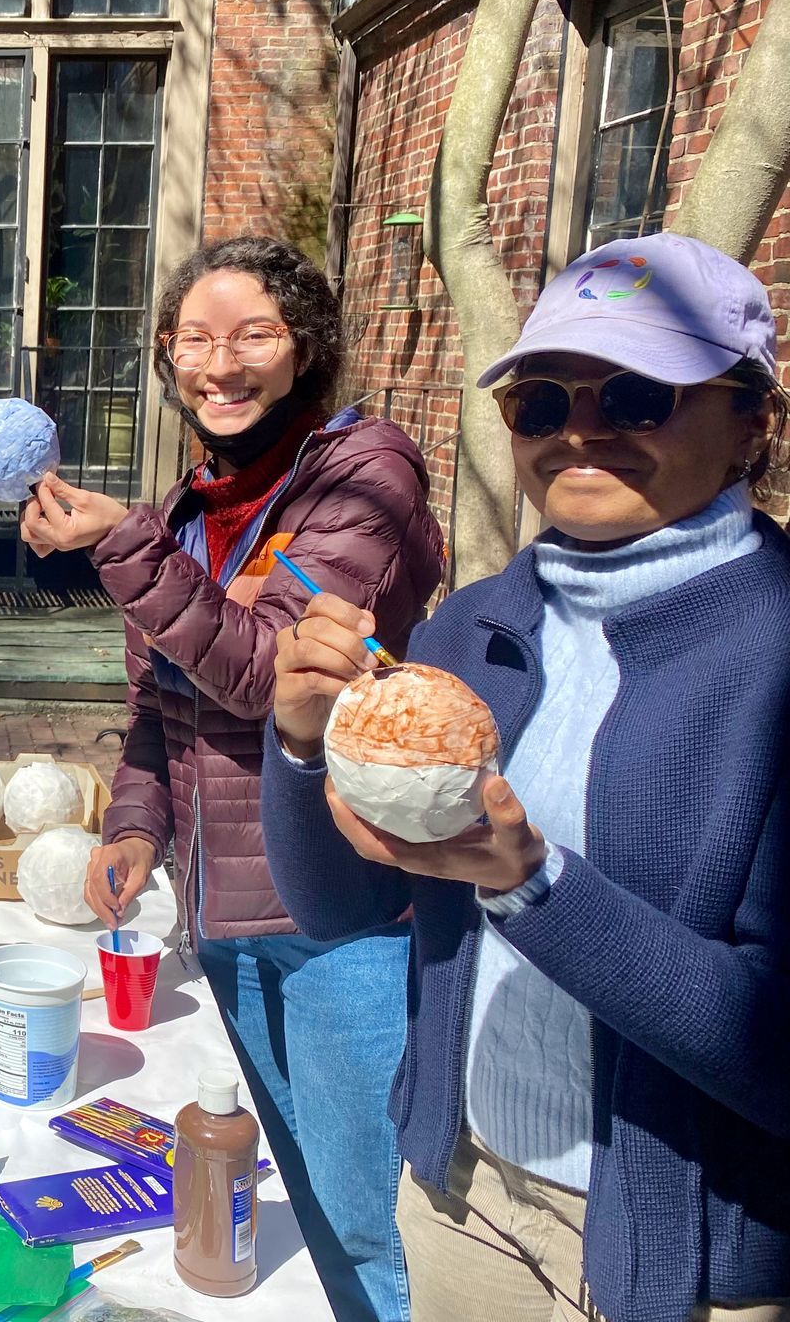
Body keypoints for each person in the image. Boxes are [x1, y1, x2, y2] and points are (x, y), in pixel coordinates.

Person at [264, 232, 790, 1322]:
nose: (581, 431)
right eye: (541, 403)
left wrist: (534, 886)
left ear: (753, 423)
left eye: (640, 395)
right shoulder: (473, 628)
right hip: (463, 1198)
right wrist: (303, 745)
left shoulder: (773, 657)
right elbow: (339, 903)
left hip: (676, 1253)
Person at [20, 236, 443, 1321]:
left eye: (254, 334)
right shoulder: (183, 516)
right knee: (262, 1198)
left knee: (357, 1224)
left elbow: (267, 672)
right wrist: (130, 836)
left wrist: (125, 546)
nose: (221, 364)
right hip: (224, 922)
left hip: (344, 920)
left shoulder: (363, 475)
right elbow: (156, 718)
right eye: (194, 340)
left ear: (305, 349)